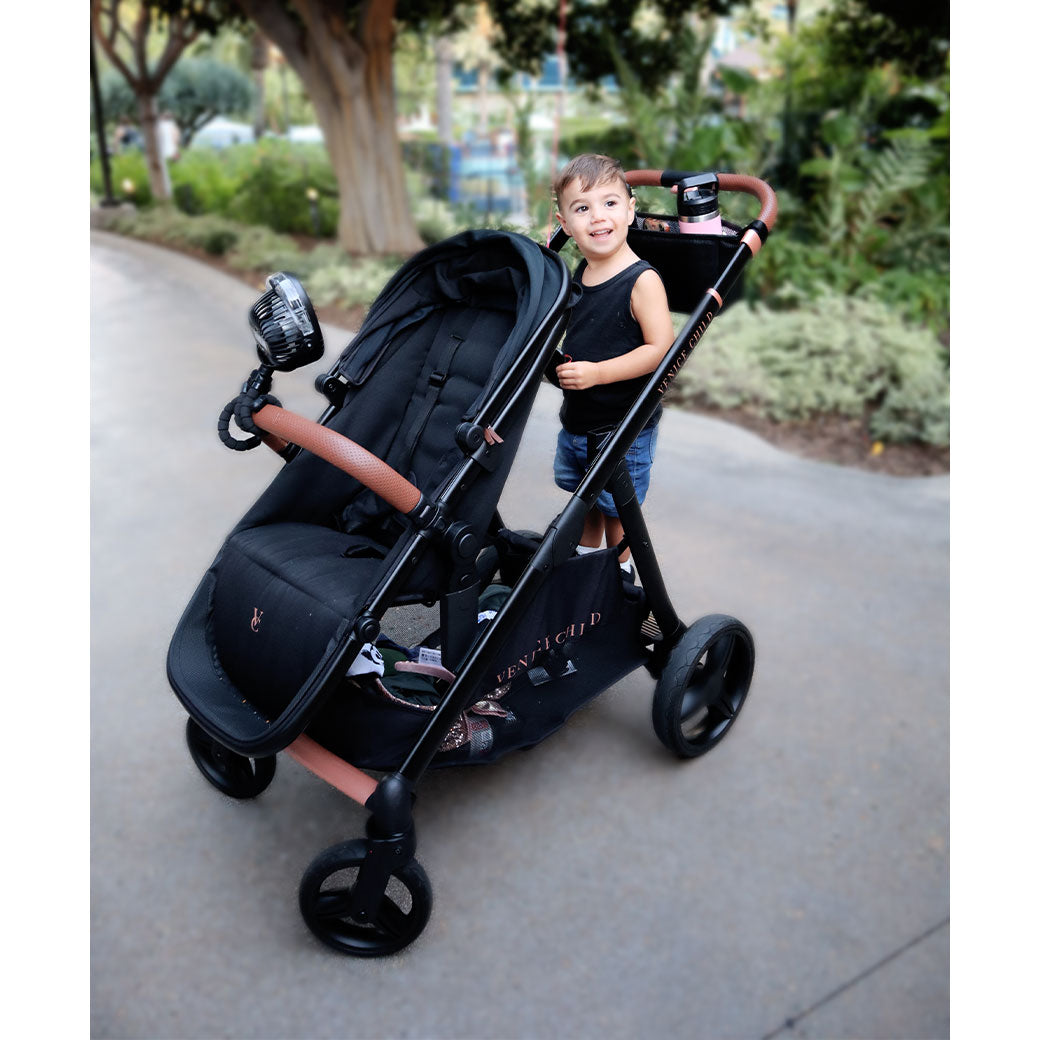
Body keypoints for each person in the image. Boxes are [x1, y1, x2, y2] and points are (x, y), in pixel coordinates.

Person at [551, 153, 674, 577]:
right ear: (565, 223)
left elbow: (660, 348)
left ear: (630, 209)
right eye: (582, 208)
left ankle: (618, 578)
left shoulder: (642, 280)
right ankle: (586, 571)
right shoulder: (580, 273)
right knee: (583, 501)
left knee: (617, 507)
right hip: (579, 420)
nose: (598, 217)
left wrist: (598, 373)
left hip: (624, 427)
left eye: (609, 203)